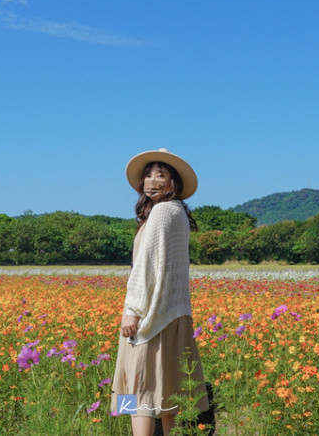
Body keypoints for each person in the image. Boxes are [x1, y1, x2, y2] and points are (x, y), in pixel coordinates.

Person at [112, 148, 209, 436]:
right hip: (172, 313)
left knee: (136, 386)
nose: (152, 180)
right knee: (169, 388)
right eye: (149, 174)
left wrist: (132, 309)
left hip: (149, 317)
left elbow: (145, 266)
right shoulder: (176, 212)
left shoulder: (162, 212)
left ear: (174, 183)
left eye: (161, 175)